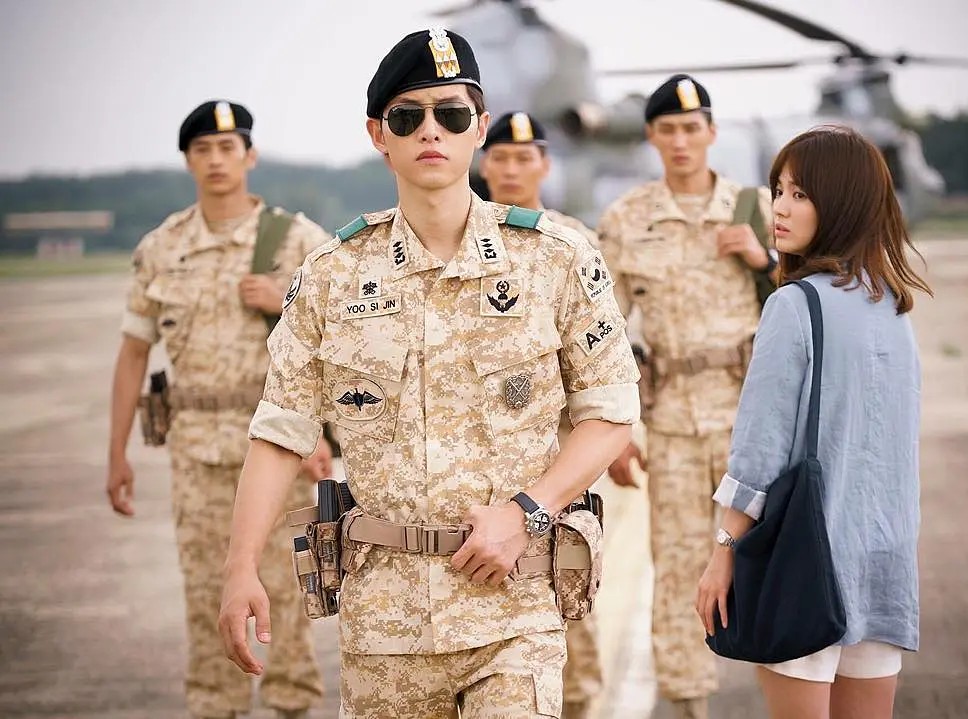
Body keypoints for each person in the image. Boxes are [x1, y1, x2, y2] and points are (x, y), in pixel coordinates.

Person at [217, 29, 639, 718]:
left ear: (480, 127)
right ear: (378, 135)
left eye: (451, 113)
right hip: (385, 626)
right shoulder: (331, 276)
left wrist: (527, 511)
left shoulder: (555, 258)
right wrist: (239, 569)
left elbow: (611, 410)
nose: (430, 131)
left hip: (516, 609)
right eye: (407, 116)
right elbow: (279, 434)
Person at [105, 100, 331, 719]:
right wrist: (116, 453)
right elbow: (133, 353)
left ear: (249, 156)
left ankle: (291, 704)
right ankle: (215, 706)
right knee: (208, 589)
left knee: (287, 588)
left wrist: (283, 301)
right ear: (188, 161)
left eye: (228, 148)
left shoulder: (299, 242)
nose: (215, 161)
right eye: (202, 150)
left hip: (282, 452)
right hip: (197, 453)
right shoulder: (162, 248)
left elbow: (338, 351)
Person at [696, 125, 931, 719]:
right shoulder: (892, 305)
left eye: (800, 194)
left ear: (842, 202)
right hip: (883, 563)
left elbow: (760, 448)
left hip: (808, 560)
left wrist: (725, 549)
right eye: (778, 190)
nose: (778, 207)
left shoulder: (794, 305)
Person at [595, 73, 775, 718]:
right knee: (676, 568)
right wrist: (613, 435)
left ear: (711, 133)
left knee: (769, 564)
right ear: (651, 136)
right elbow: (601, 335)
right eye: (667, 130)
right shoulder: (627, 219)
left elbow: (812, 298)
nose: (680, 141)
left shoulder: (759, 209)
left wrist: (763, 259)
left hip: (753, 422)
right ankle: (688, 705)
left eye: (691, 128)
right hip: (670, 423)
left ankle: (791, 694)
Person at [480, 110, 605, 719]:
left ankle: (579, 700)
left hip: (561, 448)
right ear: (484, 164)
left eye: (524, 158)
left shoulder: (572, 240)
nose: (511, 169)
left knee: (566, 574)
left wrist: (609, 437)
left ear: (545, 165)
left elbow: (602, 352)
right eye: (500, 157)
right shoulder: (466, 235)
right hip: (490, 445)